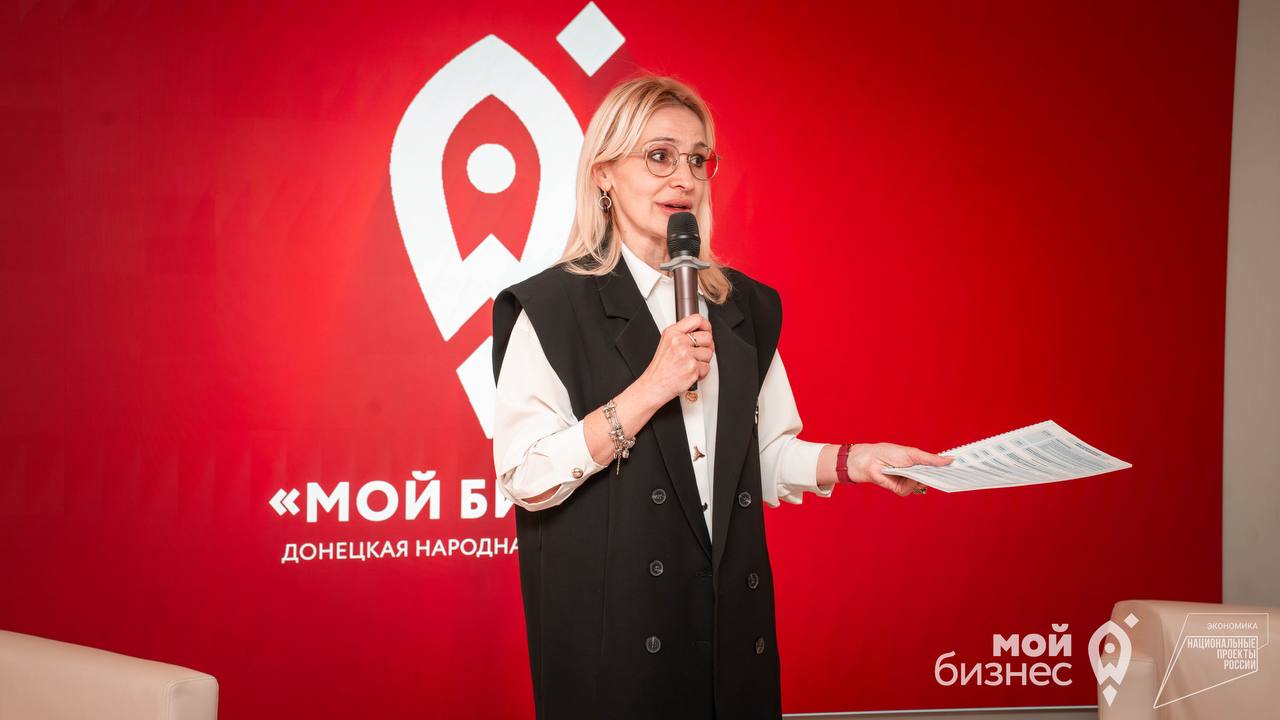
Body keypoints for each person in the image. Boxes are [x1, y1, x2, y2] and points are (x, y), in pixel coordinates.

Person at [491, 75, 953, 720]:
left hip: (728, 625)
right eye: (659, 156)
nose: (683, 177)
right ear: (604, 174)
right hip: (616, 636)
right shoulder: (549, 307)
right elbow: (525, 477)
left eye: (697, 159)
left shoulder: (742, 307)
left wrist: (857, 461)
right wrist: (650, 388)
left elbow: (760, 457)